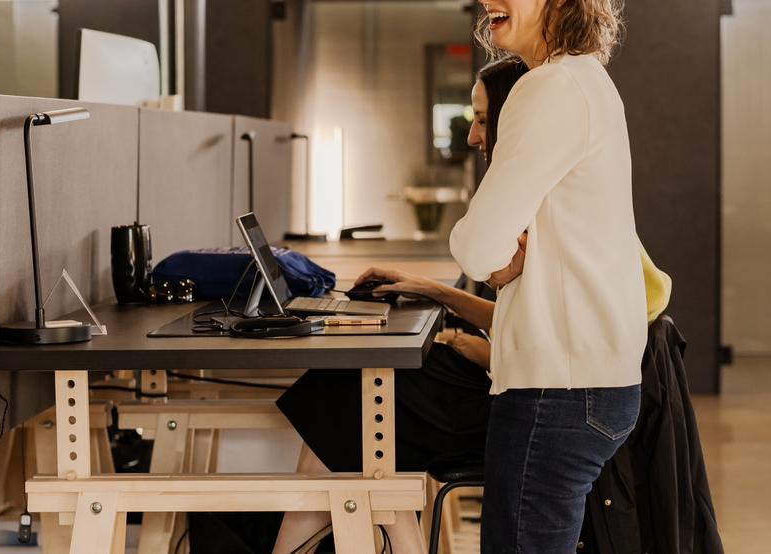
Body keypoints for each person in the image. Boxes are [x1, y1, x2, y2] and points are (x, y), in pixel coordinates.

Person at [273, 56, 668, 552]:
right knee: (348, 401)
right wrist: (435, 291)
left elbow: (479, 253)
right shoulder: (560, 197)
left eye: (483, 119)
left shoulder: (546, 155)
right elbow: (523, 312)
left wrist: (463, 339)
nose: (472, 136)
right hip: (565, 392)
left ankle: (329, 535)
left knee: (347, 398)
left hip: (549, 395)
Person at [448, 0, 644, 551]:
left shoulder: (550, 87)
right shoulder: (588, 82)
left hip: (557, 388)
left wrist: (491, 261)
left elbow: (478, 244)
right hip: (591, 381)